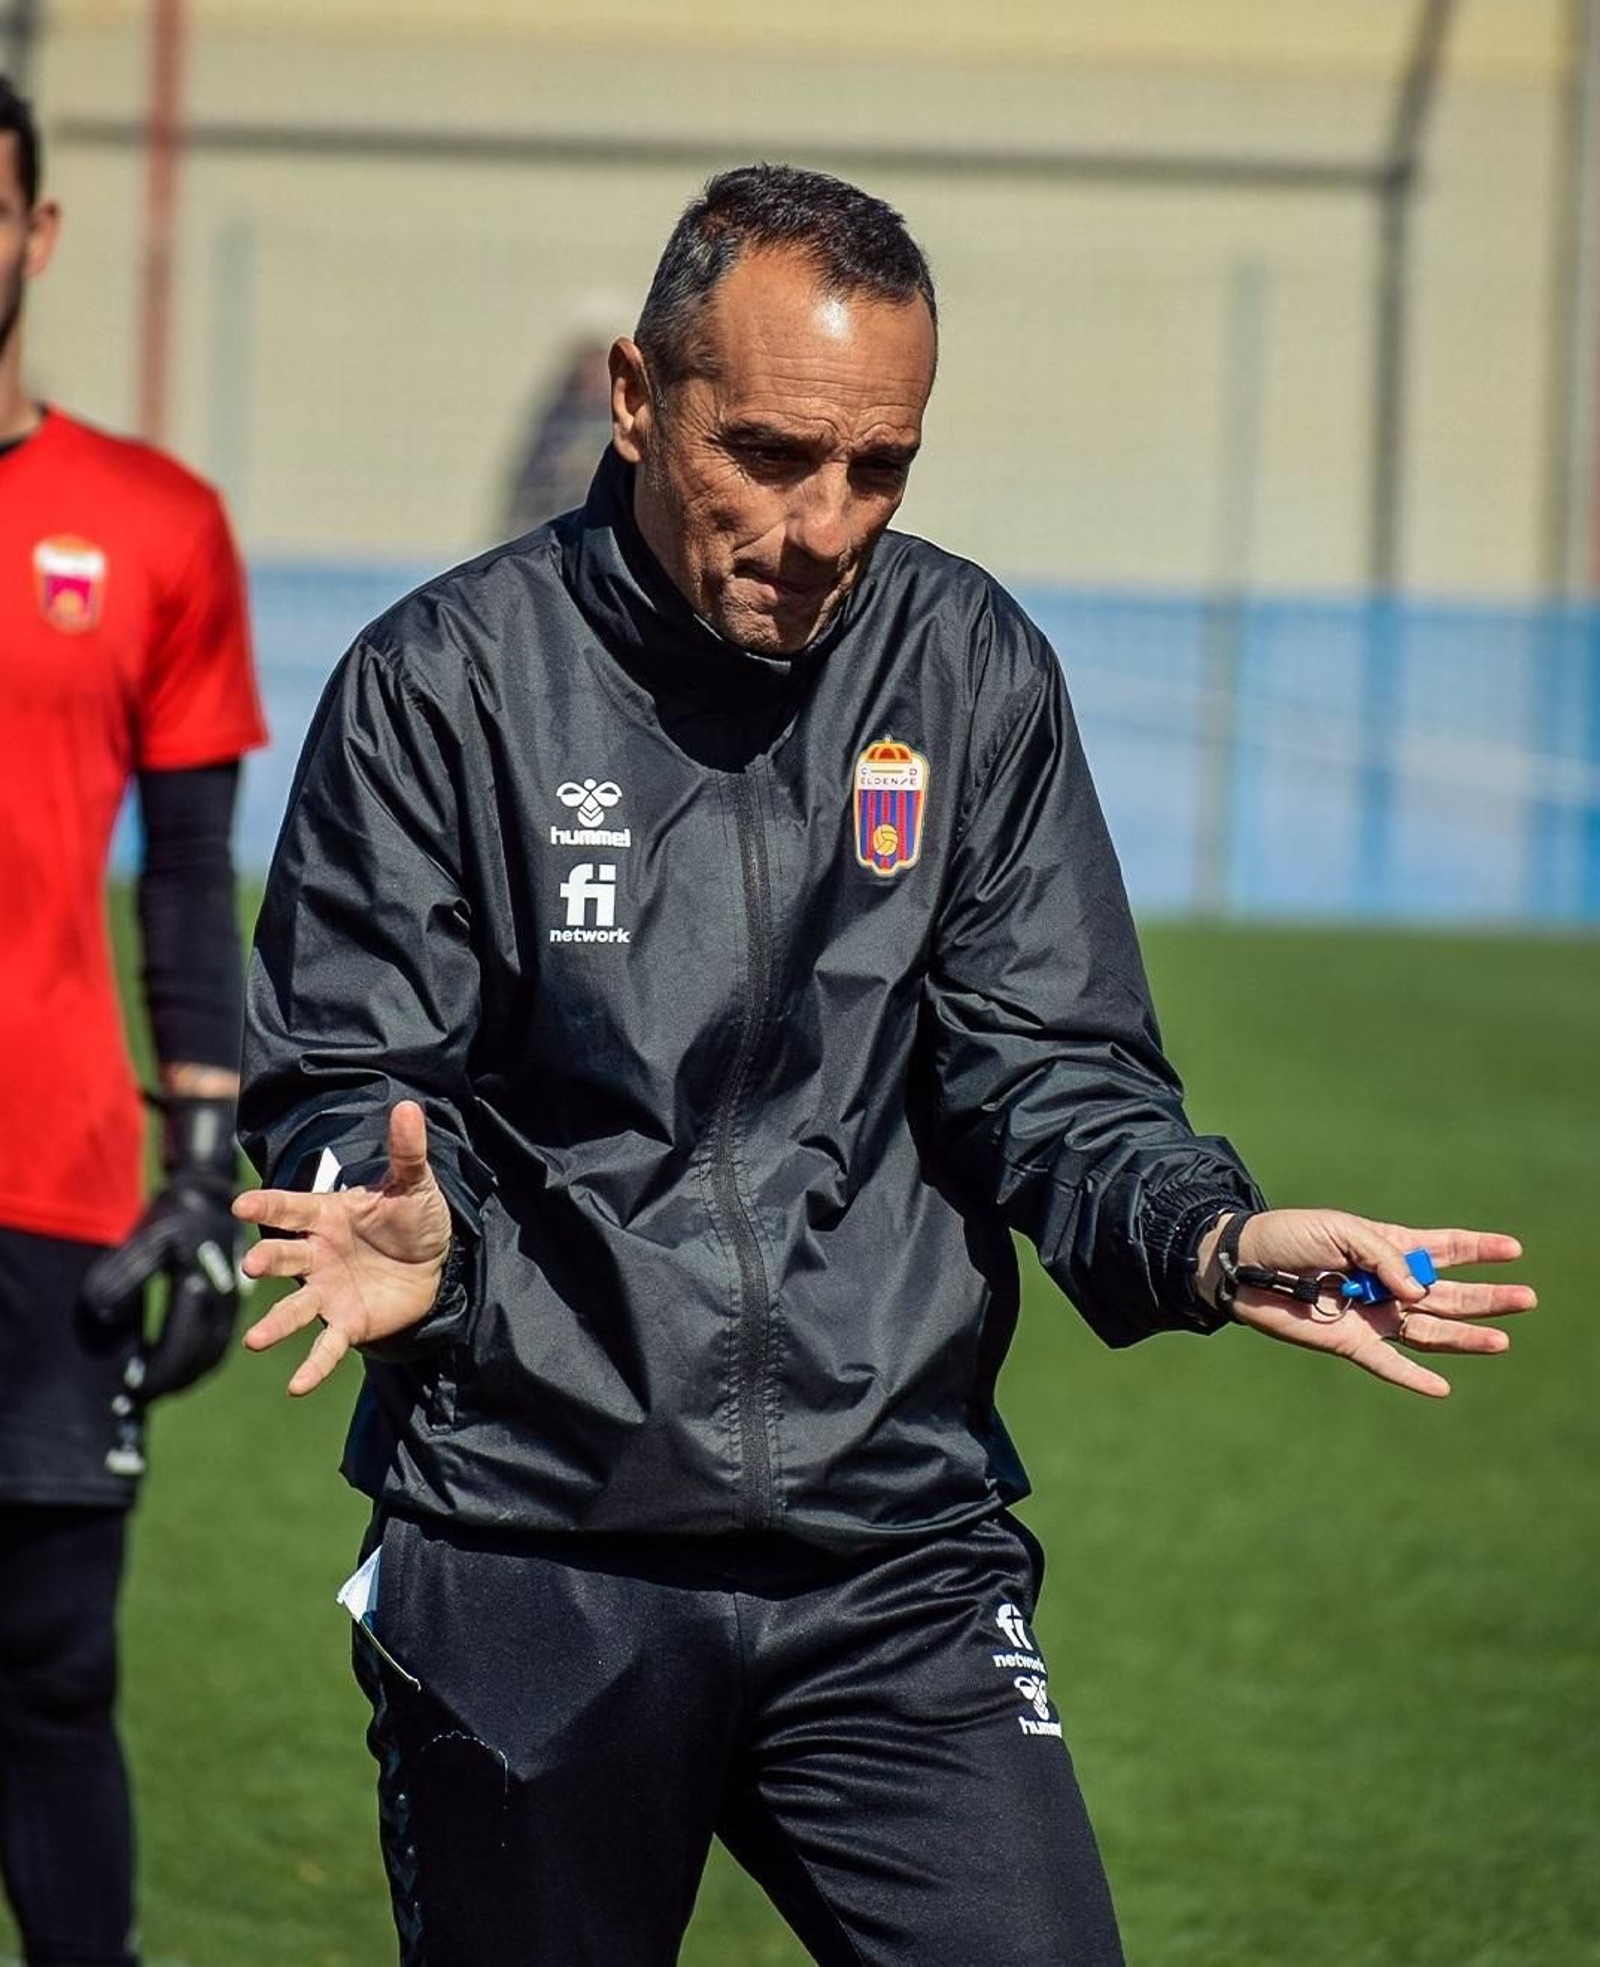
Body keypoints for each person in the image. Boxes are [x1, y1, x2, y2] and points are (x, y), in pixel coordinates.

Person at [236, 164, 1532, 1967]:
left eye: (881, 468)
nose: (828, 520)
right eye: (768, 454)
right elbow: (341, 1078)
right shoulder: (445, 687)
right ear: (636, 399)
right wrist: (397, 1226)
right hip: (540, 1548)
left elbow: (1052, 1068)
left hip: (891, 1555)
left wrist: (1207, 1240)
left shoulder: (967, 663)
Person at [0, 78, 266, 1967]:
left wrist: (204, 1155)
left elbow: (187, 878)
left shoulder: (154, 524)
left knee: (49, 1678)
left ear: (35, 231)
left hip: (55, 1189)